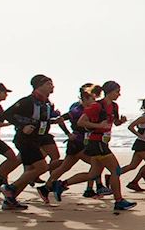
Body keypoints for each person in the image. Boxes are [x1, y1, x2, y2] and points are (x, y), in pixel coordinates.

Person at [52, 81, 136, 212]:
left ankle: (61, 184)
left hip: (104, 141)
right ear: (108, 91)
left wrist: (121, 122)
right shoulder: (97, 105)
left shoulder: (114, 106)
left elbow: (114, 122)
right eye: (117, 91)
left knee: (93, 173)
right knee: (116, 171)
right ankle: (119, 201)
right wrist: (99, 126)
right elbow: (81, 122)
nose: (119, 94)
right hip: (96, 142)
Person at [1, 75, 66, 208]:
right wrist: (22, 125)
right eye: (49, 84)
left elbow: (42, 121)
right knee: (41, 167)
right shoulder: (27, 101)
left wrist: (54, 121)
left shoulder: (46, 103)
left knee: (31, 170)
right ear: (39, 86)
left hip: (39, 138)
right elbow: (7, 115)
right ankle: (10, 188)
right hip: (25, 139)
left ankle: (10, 200)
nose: (52, 86)